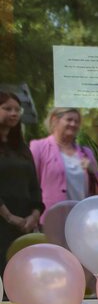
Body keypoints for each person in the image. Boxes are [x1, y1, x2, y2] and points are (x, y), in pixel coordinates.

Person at [30, 107, 98, 220]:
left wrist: (93, 170)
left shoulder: (86, 152)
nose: (73, 124)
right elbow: (31, 185)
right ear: (55, 120)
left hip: (82, 219)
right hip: (51, 219)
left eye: (77, 122)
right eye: (69, 120)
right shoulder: (39, 147)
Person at [0, 92, 43, 274]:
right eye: (7, 109)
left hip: (24, 224)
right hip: (3, 223)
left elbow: (34, 185)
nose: (14, 113)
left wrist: (34, 214)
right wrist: (9, 217)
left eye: (17, 109)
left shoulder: (22, 148)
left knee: (22, 273)